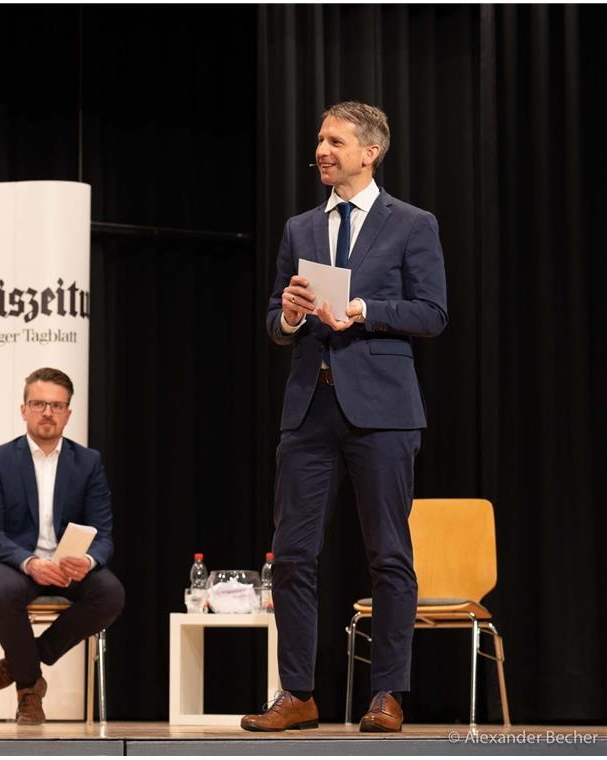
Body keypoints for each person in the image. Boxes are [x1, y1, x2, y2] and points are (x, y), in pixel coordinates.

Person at [242, 101, 447, 733]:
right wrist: (293, 317)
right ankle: (297, 693)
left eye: (335, 141)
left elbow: (432, 313)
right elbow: (276, 317)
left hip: (383, 412)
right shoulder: (300, 228)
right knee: (294, 557)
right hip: (309, 411)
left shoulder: (412, 224)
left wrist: (362, 309)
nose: (323, 151)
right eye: (320, 142)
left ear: (370, 151)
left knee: (388, 555)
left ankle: (387, 693)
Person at [0, 368, 125, 725]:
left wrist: (88, 560)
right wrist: (29, 563)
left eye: (57, 405)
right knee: (0, 591)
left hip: (68, 565)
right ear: (24, 409)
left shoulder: (88, 463)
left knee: (110, 593)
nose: (48, 412)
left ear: (68, 413)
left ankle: (25, 659)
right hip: (16, 563)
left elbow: (104, 534)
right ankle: (29, 690)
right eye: (39, 403)